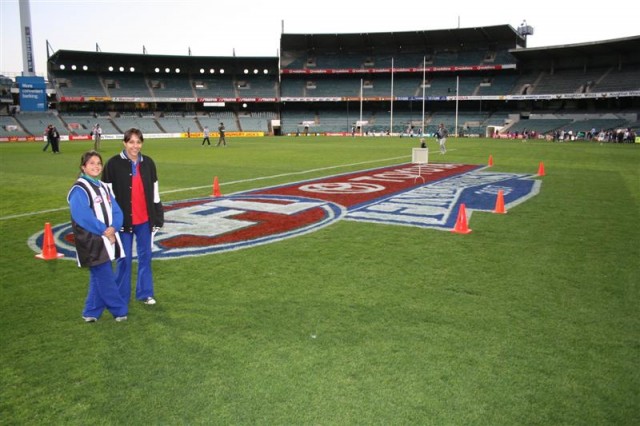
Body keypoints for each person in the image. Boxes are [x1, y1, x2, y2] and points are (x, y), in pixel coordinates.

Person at [102, 128, 164, 306]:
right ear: (124, 143)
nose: (134, 146)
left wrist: (158, 216)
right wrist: (110, 222)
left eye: (138, 142)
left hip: (145, 220)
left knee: (146, 258)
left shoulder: (148, 163)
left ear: (142, 143)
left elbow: (155, 192)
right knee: (124, 260)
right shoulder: (113, 164)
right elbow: (107, 197)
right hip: (122, 222)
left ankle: (145, 293)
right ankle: (121, 297)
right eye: (131, 142)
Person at [67, 150, 128, 322]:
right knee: (105, 275)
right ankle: (119, 309)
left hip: (107, 237)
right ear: (83, 167)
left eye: (98, 163)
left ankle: (91, 311)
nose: (96, 166)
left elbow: (116, 210)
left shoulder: (103, 186)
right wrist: (104, 230)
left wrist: (114, 227)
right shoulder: (79, 189)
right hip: (91, 240)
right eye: (92, 163)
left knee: (98, 274)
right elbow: (82, 216)